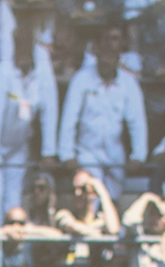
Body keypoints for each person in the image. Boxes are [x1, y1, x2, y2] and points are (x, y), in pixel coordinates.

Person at [57, 24, 146, 193]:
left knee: (112, 202)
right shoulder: (81, 79)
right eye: (104, 43)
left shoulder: (129, 83)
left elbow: (137, 121)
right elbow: (69, 119)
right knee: (93, 199)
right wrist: (67, 155)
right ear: (97, 50)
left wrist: (138, 156)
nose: (108, 52)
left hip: (115, 156)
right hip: (87, 153)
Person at [0, 34, 57, 218]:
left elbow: (49, 110)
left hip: (18, 144)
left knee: (13, 197)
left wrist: (49, 152)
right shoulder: (2, 72)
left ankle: (13, 244)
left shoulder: (42, 74)